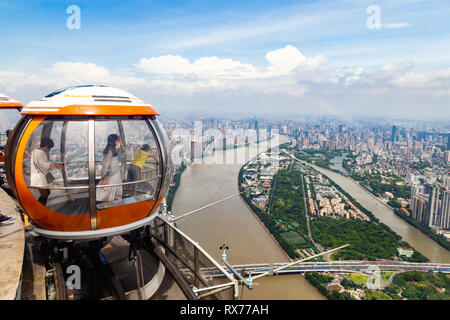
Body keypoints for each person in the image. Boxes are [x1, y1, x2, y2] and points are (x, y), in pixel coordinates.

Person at [30, 137, 63, 206]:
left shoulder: (34, 151)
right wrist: (53, 164)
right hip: (39, 177)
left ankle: (39, 207)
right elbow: (43, 165)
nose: (49, 150)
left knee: (46, 193)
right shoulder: (41, 153)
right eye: (49, 148)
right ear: (46, 146)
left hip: (34, 176)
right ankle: (39, 208)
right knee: (45, 194)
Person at [96, 134, 125, 203]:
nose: (118, 142)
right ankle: (108, 210)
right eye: (117, 140)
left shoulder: (114, 150)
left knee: (113, 193)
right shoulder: (110, 151)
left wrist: (120, 141)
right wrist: (104, 178)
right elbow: (105, 166)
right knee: (108, 194)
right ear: (114, 141)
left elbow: (123, 152)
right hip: (112, 175)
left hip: (116, 174)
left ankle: (113, 208)